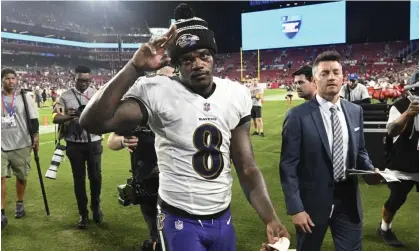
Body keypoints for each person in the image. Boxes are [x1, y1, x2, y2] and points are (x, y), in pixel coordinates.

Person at [80, 4, 289, 251]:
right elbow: (92, 121)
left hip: (223, 216)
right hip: (180, 219)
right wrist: (134, 68)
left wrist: (271, 218)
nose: (198, 64)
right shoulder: (158, 91)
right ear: (177, 65)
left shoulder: (235, 94)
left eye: (204, 55)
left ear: (214, 57)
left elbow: (247, 167)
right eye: (188, 59)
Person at [279, 51, 381, 251]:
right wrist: (295, 208)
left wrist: (370, 170)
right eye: (325, 73)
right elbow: (288, 166)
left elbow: (360, 151)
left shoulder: (354, 111)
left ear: (343, 77)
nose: (331, 77)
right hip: (311, 205)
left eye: (336, 72)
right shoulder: (297, 116)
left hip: (348, 201)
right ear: (315, 80)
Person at [52, 66, 104, 229]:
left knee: (96, 178)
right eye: (81, 80)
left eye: (87, 81)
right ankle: (83, 213)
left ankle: (96, 208)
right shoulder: (65, 96)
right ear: (74, 78)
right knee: (79, 180)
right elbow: (55, 117)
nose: (84, 83)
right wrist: (70, 116)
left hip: (94, 141)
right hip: (74, 143)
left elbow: (105, 114)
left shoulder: (97, 93)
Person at [377, 72, 419, 247]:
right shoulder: (400, 105)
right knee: (397, 198)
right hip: (403, 160)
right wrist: (408, 114)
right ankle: (385, 228)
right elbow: (391, 130)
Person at [108, 124, 159, 251]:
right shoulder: (136, 115)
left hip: (176, 181)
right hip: (148, 184)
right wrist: (123, 141)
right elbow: (111, 141)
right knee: (155, 228)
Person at [1, 68, 39, 229]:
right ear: (2, 80)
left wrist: (35, 135)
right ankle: (1, 212)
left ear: (16, 80)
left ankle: (19, 203)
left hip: (22, 143)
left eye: (13, 78)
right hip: (1, 144)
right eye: (7, 78)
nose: (11, 81)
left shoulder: (25, 97)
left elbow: (34, 118)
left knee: (22, 176)